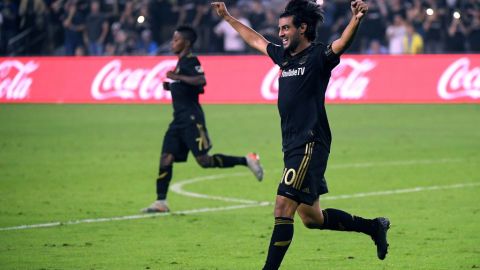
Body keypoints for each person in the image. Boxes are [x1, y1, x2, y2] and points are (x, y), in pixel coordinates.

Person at [211, 1, 390, 269]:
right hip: (292, 144)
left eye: (286, 28)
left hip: (310, 142)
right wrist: (227, 17)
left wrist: (356, 19)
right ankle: (374, 227)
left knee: (283, 208)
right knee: (311, 218)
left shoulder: (318, 56)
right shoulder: (284, 57)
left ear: (302, 28)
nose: (280, 33)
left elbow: (341, 43)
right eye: (279, 28)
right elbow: (255, 40)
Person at [142, 25, 264, 213]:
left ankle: (247, 160)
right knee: (166, 158)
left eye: (176, 40)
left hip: (192, 119)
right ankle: (161, 202)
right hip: (178, 120)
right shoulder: (181, 63)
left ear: (187, 43)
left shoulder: (191, 61)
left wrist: (177, 77)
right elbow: (196, 89)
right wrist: (173, 86)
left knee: (204, 161)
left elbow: (201, 81)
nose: (172, 43)